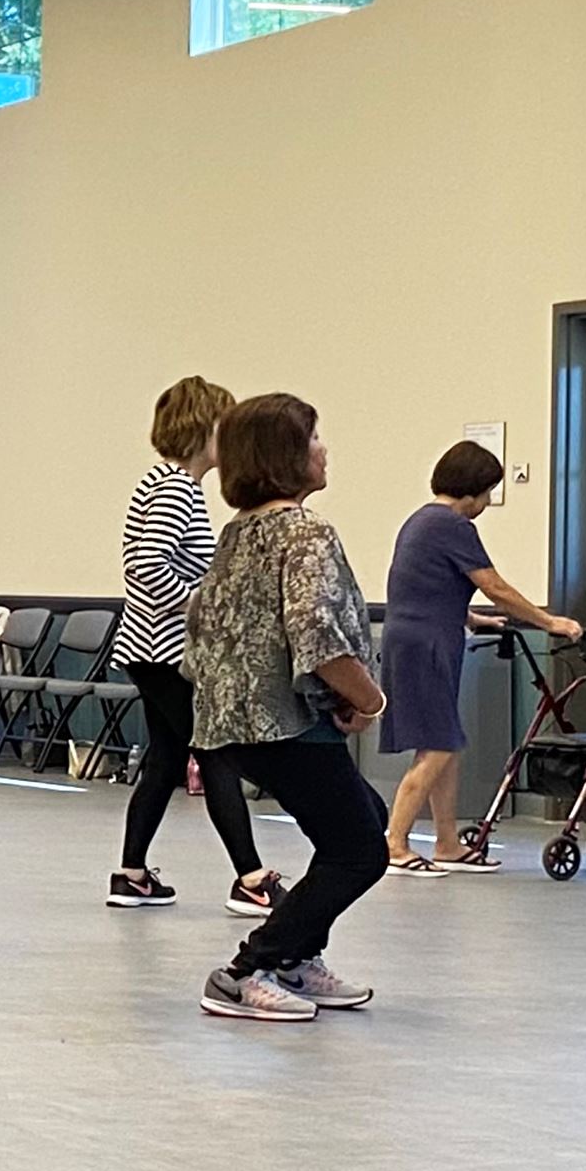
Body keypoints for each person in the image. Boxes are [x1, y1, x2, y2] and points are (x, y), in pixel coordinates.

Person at [184, 393, 389, 1023]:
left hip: (233, 722)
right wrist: (367, 697)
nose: (325, 449)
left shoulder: (237, 533)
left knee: (361, 820)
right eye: (315, 437)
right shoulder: (306, 532)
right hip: (282, 722)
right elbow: (316, 633)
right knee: (360, 850)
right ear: (286, 456)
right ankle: (250, 969)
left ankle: (298, 955)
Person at [105, 375, 285, 918]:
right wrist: (209, 606)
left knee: (165, 758)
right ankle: (251, 878)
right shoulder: (173, 489)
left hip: (151, 646)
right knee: (218, 752)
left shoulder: (166, 484)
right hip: (165, 649)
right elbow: (149, 569)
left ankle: (131, 873)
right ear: (206, 429)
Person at [381, 440, 580, 877]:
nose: (488, 503)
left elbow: (422, 586)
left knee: (445, 744)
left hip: (417, 637)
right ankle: (395, 843)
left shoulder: (420, 521)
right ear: (471, 491)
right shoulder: (453, 525)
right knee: (436, 746)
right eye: (488, 493)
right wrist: (549, 622)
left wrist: (470, 618)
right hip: (427, 645)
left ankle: (447, 843)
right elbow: (495, 586)